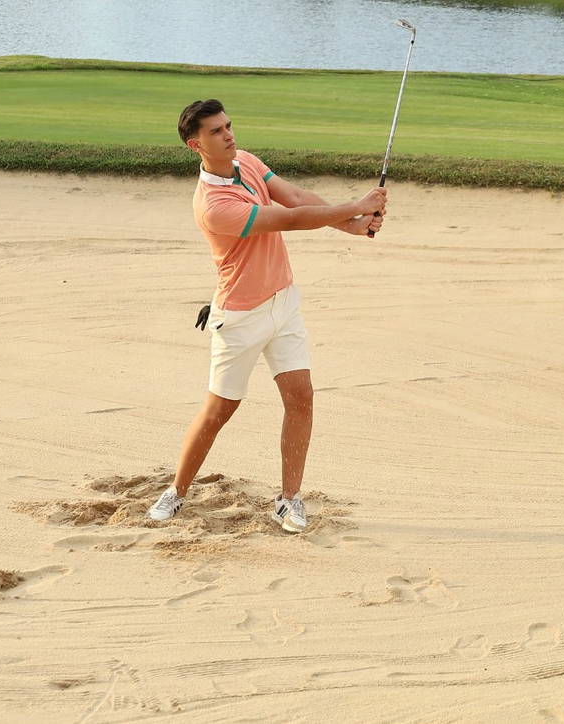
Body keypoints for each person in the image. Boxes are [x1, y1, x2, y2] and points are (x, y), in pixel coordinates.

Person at [147, 99, 388, 534]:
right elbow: (290, 219)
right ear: (194, 144)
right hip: (239, 317)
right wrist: (356, 203)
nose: (228, 135)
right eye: (216, 131)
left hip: (283, 303)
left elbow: (296, 197)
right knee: (220, 410)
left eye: (229, 125)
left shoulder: (247, 162)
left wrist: (353, 223)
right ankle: (177, 490)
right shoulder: (213, 204)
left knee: (301, 397)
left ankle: (289, 499)